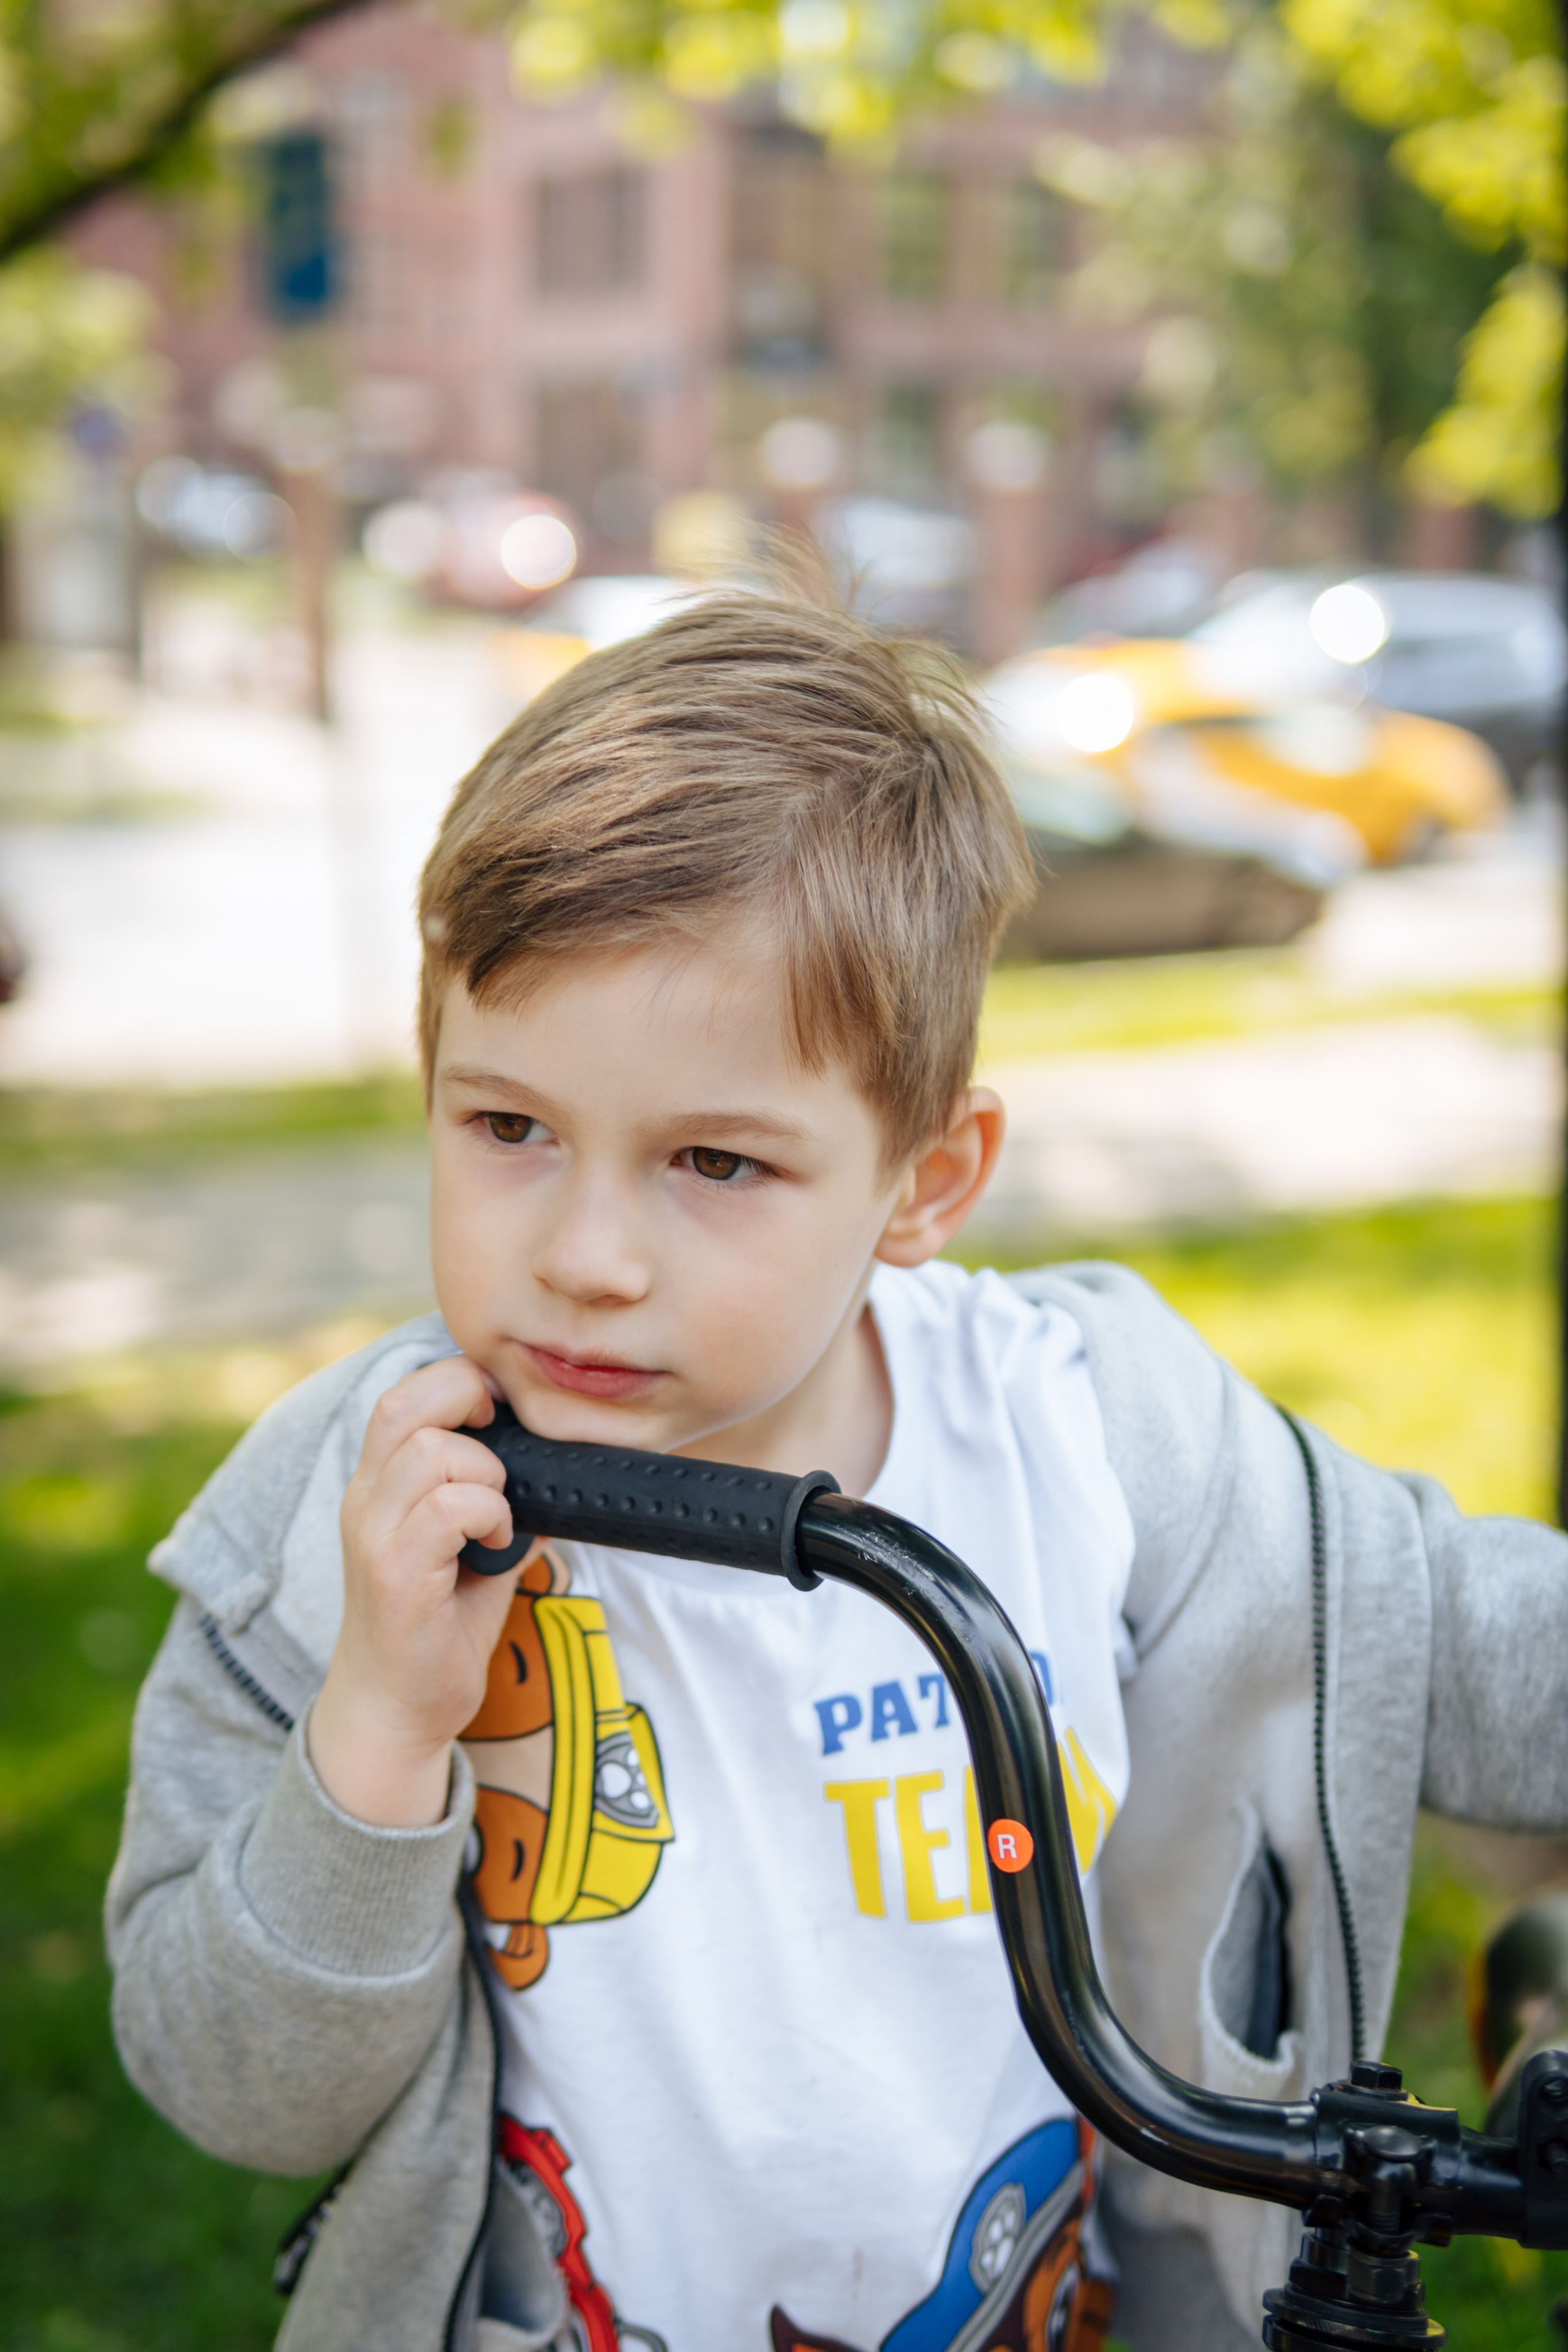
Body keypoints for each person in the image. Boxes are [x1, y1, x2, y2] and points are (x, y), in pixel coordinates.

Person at [107, 584, 1568, 2352]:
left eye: (714, 1163)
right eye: (508, 1128)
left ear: (928, 1182)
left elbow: (1465, 1637)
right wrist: (378, 1731)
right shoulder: (355, 1514)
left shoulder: (1082, 1433)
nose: (586, 1255)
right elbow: (232, 2091)